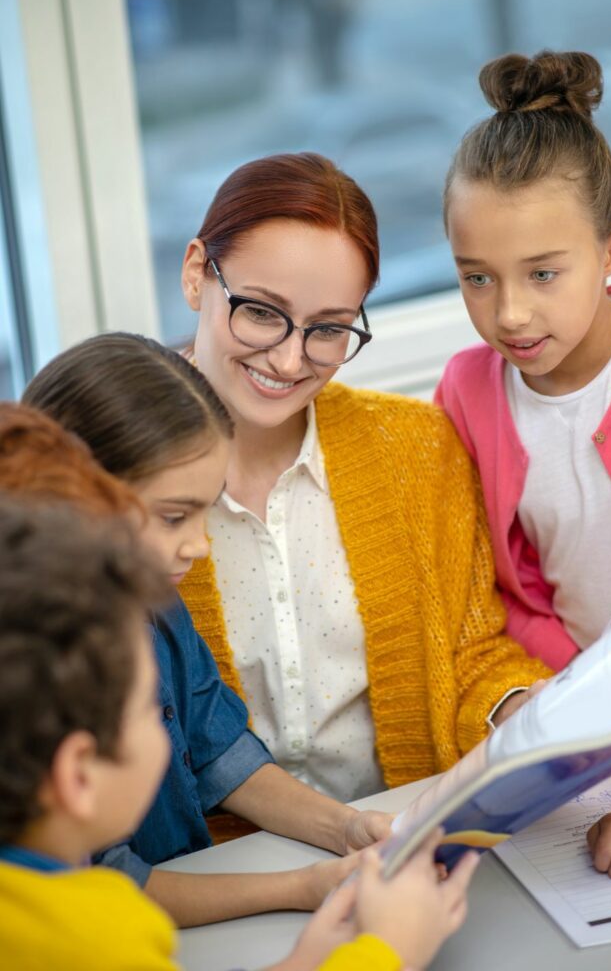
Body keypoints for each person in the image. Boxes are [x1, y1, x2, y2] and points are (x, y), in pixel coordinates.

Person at [173, 150, 550, 806]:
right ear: (196, 274)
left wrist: (518, 709)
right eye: (260, 312)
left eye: (328, 329)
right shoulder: (110, 466)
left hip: (398, 835)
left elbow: (468, 658)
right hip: (209, 868)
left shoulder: (416, 448)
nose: (289, 359)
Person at [0, 495, 480, 971]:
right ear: (78, 775)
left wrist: (305, 958)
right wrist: (390, 949)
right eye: (150, 713)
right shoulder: (102, 935)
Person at [19, 338, 392, 927]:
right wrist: (301, 887)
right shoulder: (35, 666)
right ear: (77, 498)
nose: (198, 544)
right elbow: (108, 882)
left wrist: (344, 826)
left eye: (205, 511)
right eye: (174, 517)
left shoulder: (157, 604)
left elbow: (219, 749)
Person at [435, 49, 611, 879]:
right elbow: (489, 588)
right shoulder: (467, 392)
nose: (508, 313)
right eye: (476, 278)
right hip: (594, 731)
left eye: (543, 274)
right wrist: (572, 710)